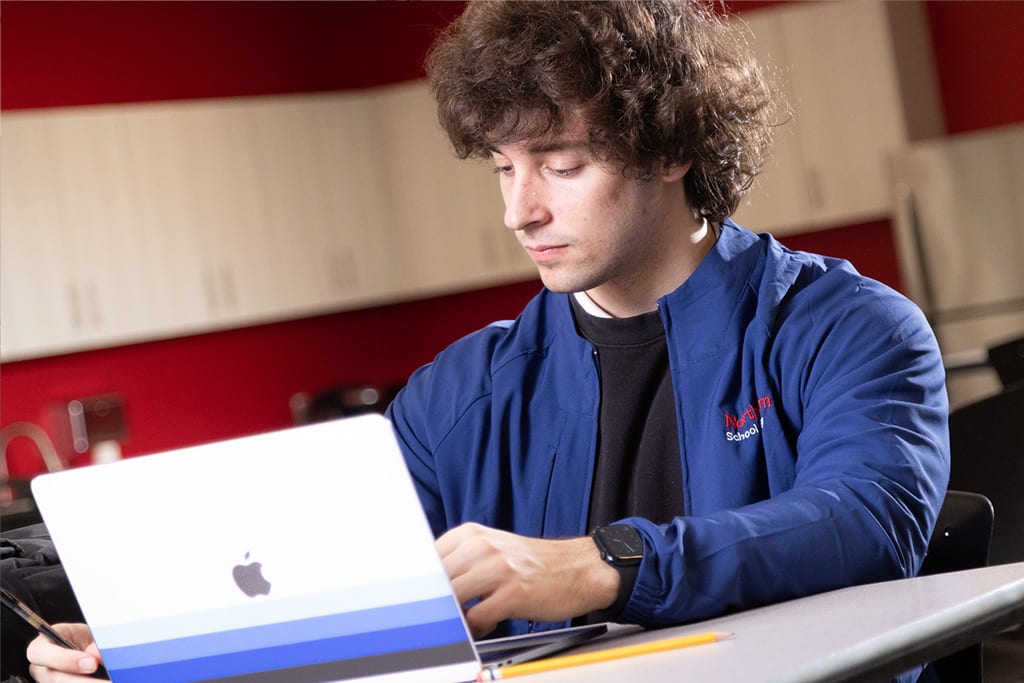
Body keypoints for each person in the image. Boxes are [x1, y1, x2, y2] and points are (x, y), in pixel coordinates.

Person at [25, 1, 949, 680]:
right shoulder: (456, 394)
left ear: (674, 149)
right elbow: (327, 582)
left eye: (562, 163)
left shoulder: (849, 329)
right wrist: (151, 643)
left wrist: (601, 563)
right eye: (504, 167)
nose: (520, 209)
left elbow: (868, 523)